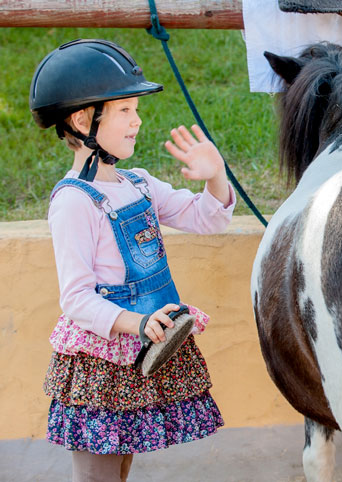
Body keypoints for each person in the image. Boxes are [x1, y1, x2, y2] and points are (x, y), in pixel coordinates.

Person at [30, 39, 235, 481]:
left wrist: (215, 175)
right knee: (97, 476)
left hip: (144, 349)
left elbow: (206, 219)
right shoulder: (74, 201)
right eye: (124, 110)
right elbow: (77, 300)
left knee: (119, 470)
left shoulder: (139, 183)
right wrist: (137, 323)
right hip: (102, 360)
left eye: (134, 110)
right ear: (83, 118)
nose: (137, 120)